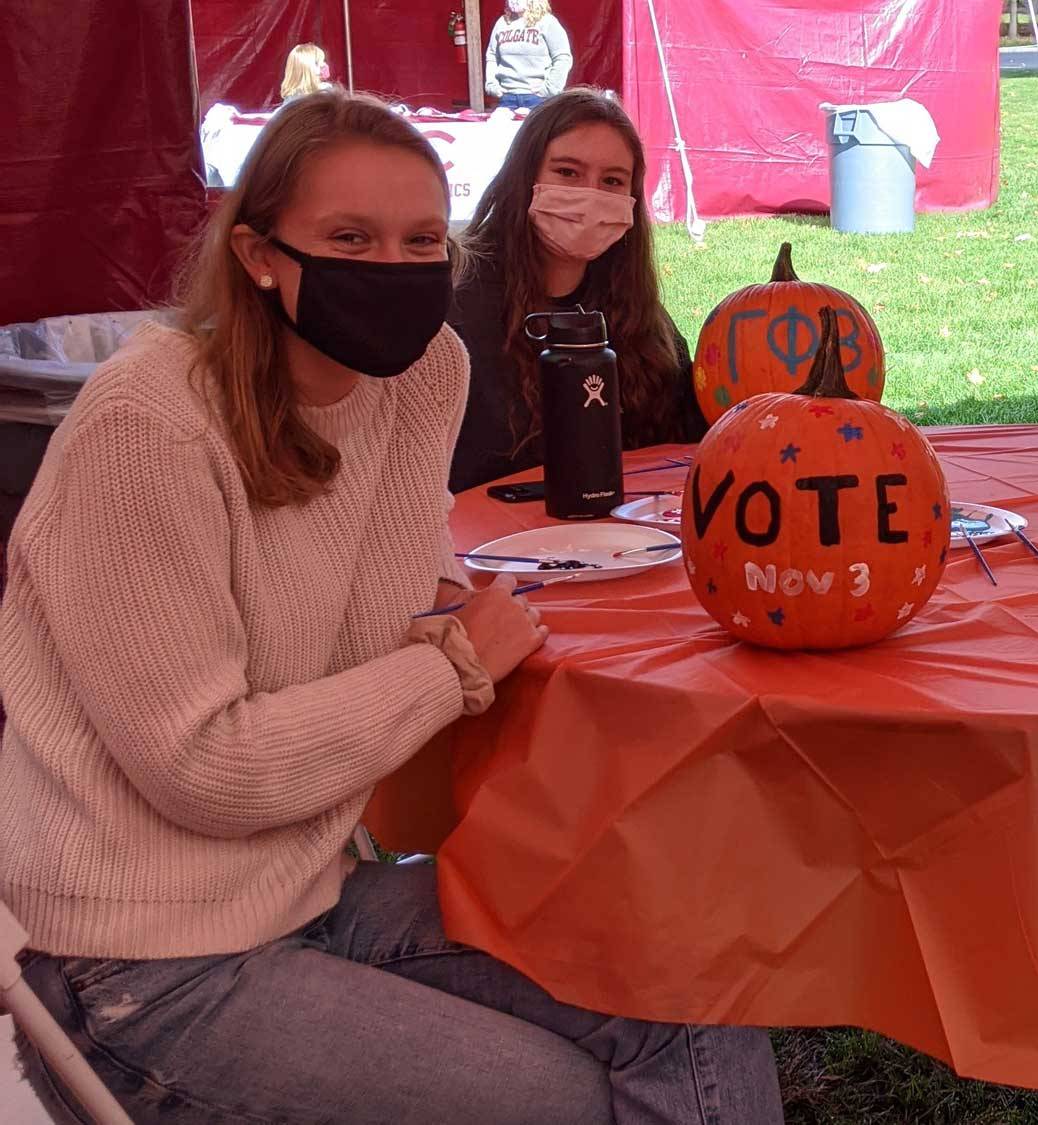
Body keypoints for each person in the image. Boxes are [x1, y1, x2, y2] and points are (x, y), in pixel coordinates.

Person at [0, 89, 783, 1124]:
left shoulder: (422, 374)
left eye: (421, 240)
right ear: (258, 255)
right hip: (142, 959)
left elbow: (411, 581)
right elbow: (206, 766)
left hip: (311, 889)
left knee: (689, 969)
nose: (392, 270)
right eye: (348, 238)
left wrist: (463, 621)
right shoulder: (149, 428)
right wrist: (450, 665)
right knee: (565, 1102)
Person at [449, 88, 704, 494]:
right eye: (567, 172)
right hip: (490, 539)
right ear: (525, 176)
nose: (590, 195)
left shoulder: (642, 318)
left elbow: (693, 440)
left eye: (612, 181)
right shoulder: (458, 308)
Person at [485, 0, 573, 111]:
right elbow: (492, 56)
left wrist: (549, 89)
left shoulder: (547, 21)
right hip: (507, 96)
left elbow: (563, 57)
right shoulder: (502, 23)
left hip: (538, 98)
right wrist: (492, 84)